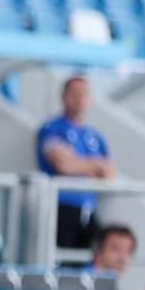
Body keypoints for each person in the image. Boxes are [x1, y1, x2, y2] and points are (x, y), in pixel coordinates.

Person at [36, 75, 114, 250]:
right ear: (64, 97)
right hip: (61, 207)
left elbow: (108, 172)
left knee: (96, 252)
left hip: (88, 208)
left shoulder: (94, 136)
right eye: (74, 94)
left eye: (84, 94)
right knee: (61, 260)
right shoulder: (54, 128)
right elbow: (64, 166)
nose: (79, 99)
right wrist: (93, 166)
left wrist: (80, 164)